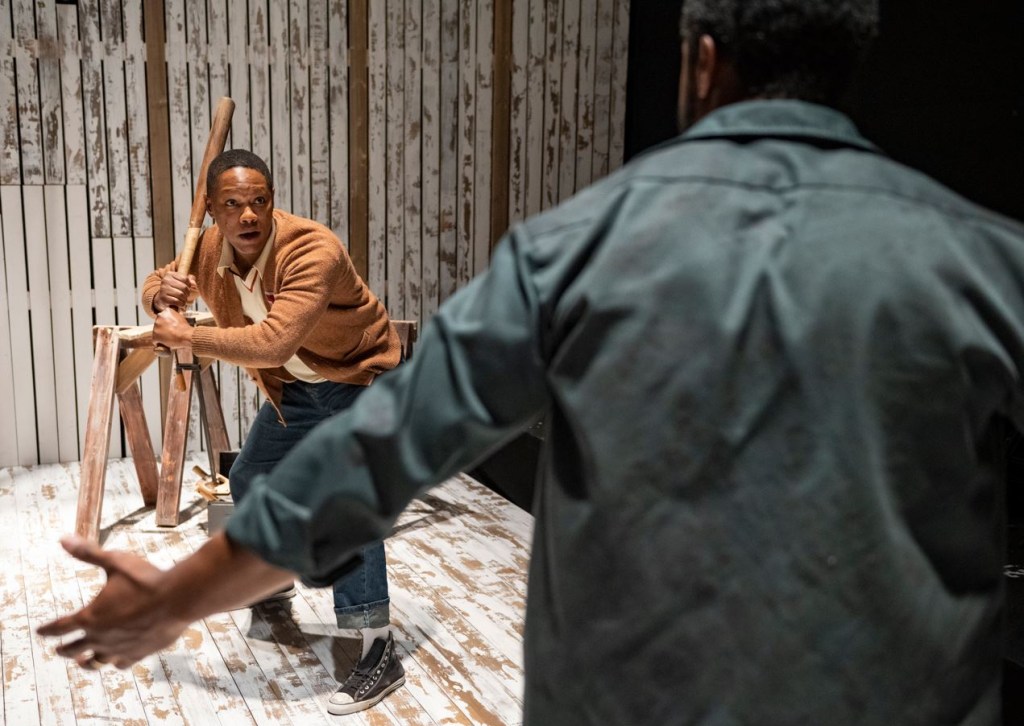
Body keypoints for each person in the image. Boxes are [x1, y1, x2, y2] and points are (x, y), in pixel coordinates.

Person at [39, 1, 1024, 723]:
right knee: (264, 467)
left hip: (626, 702)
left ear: (700, 65)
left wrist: (174, 599)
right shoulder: (985, 257)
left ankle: (362, 638)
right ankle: (286, 606)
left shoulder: (571, 254)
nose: (246, 215)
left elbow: (375, 457)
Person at [137, 149, 406, 715]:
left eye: (259, 201)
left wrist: (188, 337)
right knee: (252, 476)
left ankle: (379, 649)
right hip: (297, 390)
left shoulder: (312, 249)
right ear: (213, 210)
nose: (248, 215)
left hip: (360, 379)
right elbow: (160, 280)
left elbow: (273, 342)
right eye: (233, 204)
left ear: (272, 201)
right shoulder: (210, 248)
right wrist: (160, 295)